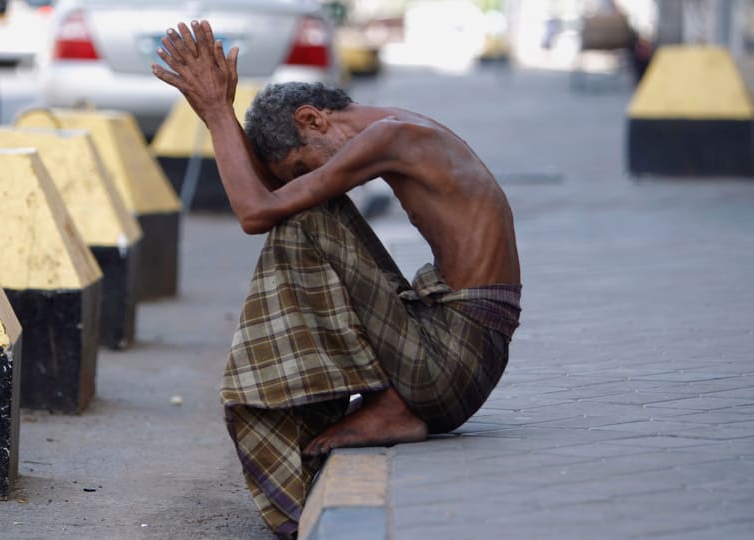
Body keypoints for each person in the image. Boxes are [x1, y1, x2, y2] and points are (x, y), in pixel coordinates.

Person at [153, 20, 522, 539]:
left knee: (302, 218)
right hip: (455, 356)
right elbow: (268, 203)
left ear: (312, 119)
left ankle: (391, 407)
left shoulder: (393, 137)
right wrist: (224, 116)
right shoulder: (398, 129)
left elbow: (257, 212)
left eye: (301, 164)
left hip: (453, 363)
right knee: (302, 213)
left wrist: (217, 113)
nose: (303, 180)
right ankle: (387, 402)